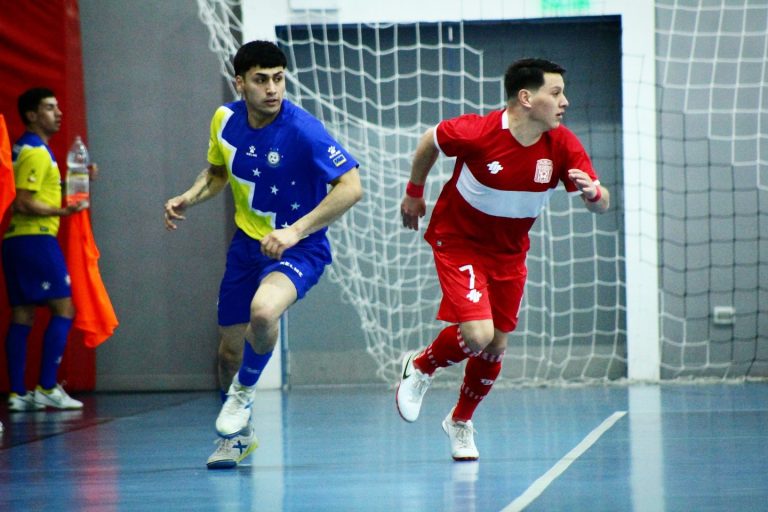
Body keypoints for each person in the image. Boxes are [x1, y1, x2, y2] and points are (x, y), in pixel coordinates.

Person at [396, 58, 610, 461]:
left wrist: (594, 195)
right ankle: (421, 365)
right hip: (458, 241)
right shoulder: (477, 132)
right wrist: (414, 191)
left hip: (509, 253)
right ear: (526, 98)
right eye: (556, 92)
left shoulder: (562, 144)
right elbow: (429, 141)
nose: (564, 101)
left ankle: (460, 421)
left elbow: (602, 203)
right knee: (477, 335)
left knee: (494, 346)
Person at [164, 40, 363, 470]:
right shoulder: (224, 119)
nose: (272, 89)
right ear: (240, 83)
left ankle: (243, 394)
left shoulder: (304, 130)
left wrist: (295, 231)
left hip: (301, 246)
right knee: (228, 354)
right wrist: (187, 197)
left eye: (278, 79)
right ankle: (239, 438)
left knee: (264, 311)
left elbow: (351, 187)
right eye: (261, 80)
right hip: (247, 247)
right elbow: (217, 173)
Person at [3, 87, 90, 412]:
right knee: (64, 308)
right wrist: (62, 211)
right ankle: (48, 386)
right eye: (50, 108)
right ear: (32, 115)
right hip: (35, 239)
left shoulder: (28, 148)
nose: (59, 113)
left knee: (23, 313)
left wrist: (75, 182)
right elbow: (23, 201)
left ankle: (17, 393)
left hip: (17, 241)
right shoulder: (36, 152)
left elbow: (37, 190)